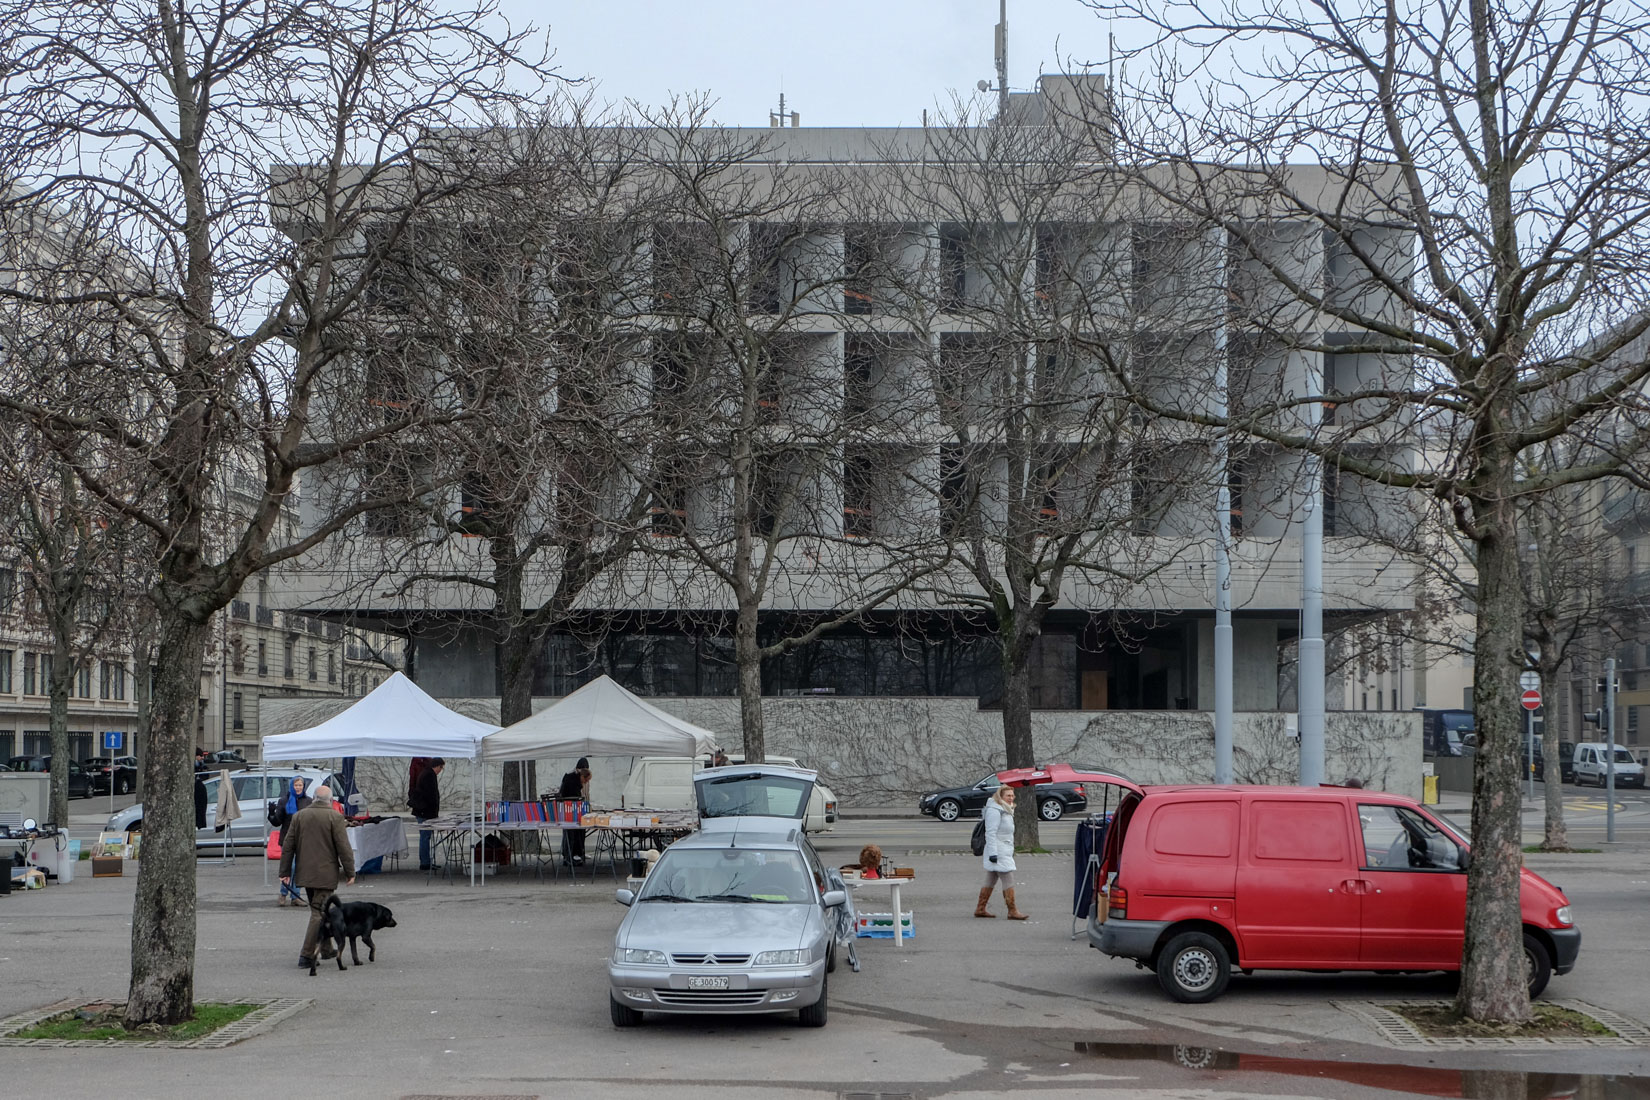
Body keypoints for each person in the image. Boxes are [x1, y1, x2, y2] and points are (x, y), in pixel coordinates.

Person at [278, 783, 355, 969]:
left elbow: (288, 846)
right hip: (325, 874)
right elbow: (343, 847)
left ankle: (327, 949)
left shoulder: (299, 816)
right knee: (318, 914)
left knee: (321, 911)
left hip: (306, 873)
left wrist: (285, 872)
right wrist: (350, 871)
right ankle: (306, 955)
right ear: (329, 801)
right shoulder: (334, 817)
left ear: (313, 798)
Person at [976, 785, 1027, 920]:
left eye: (1012, 795)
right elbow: (990, 833)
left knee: (991, 877)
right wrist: (993, 853)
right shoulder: (995, 810)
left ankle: (980, 908)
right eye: (1008, 795)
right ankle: (1012, 910)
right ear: (1001, 797)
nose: (1011, 798)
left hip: (1004, 848)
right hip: (998, 850)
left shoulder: (1006, 809)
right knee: (1008, 877)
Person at [271, 776, 312, 907]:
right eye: (296, 785)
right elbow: (277, 821)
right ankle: (283, 893)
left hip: (303, 839)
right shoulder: (284, 800)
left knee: (298, 868)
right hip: (287, 839)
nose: (298, 787)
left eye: (300, 785)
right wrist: (271, 814)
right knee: (289, 867)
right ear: (291, 786)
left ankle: (296, 895)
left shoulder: (308, 801)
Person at [409, 757, 444, 872]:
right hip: (425, 811)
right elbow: (431, 796)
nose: (441, 770)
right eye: (441, 767)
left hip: (423, 810)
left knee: (425, 837)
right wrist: (434, 813)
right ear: (437, 766)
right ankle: (425, 862)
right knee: (425, 837)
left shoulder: (426, 773)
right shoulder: (429, 775)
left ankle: (426, 861)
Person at [558, 757, 592, 866]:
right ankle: (570, 857)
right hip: (570, 811)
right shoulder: (572, 781)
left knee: (572, 835)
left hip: (572, 810)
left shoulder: (572, 779)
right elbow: (575, 798)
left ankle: (571, 856)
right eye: (585, 780)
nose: (585, 783)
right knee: (570, 835)